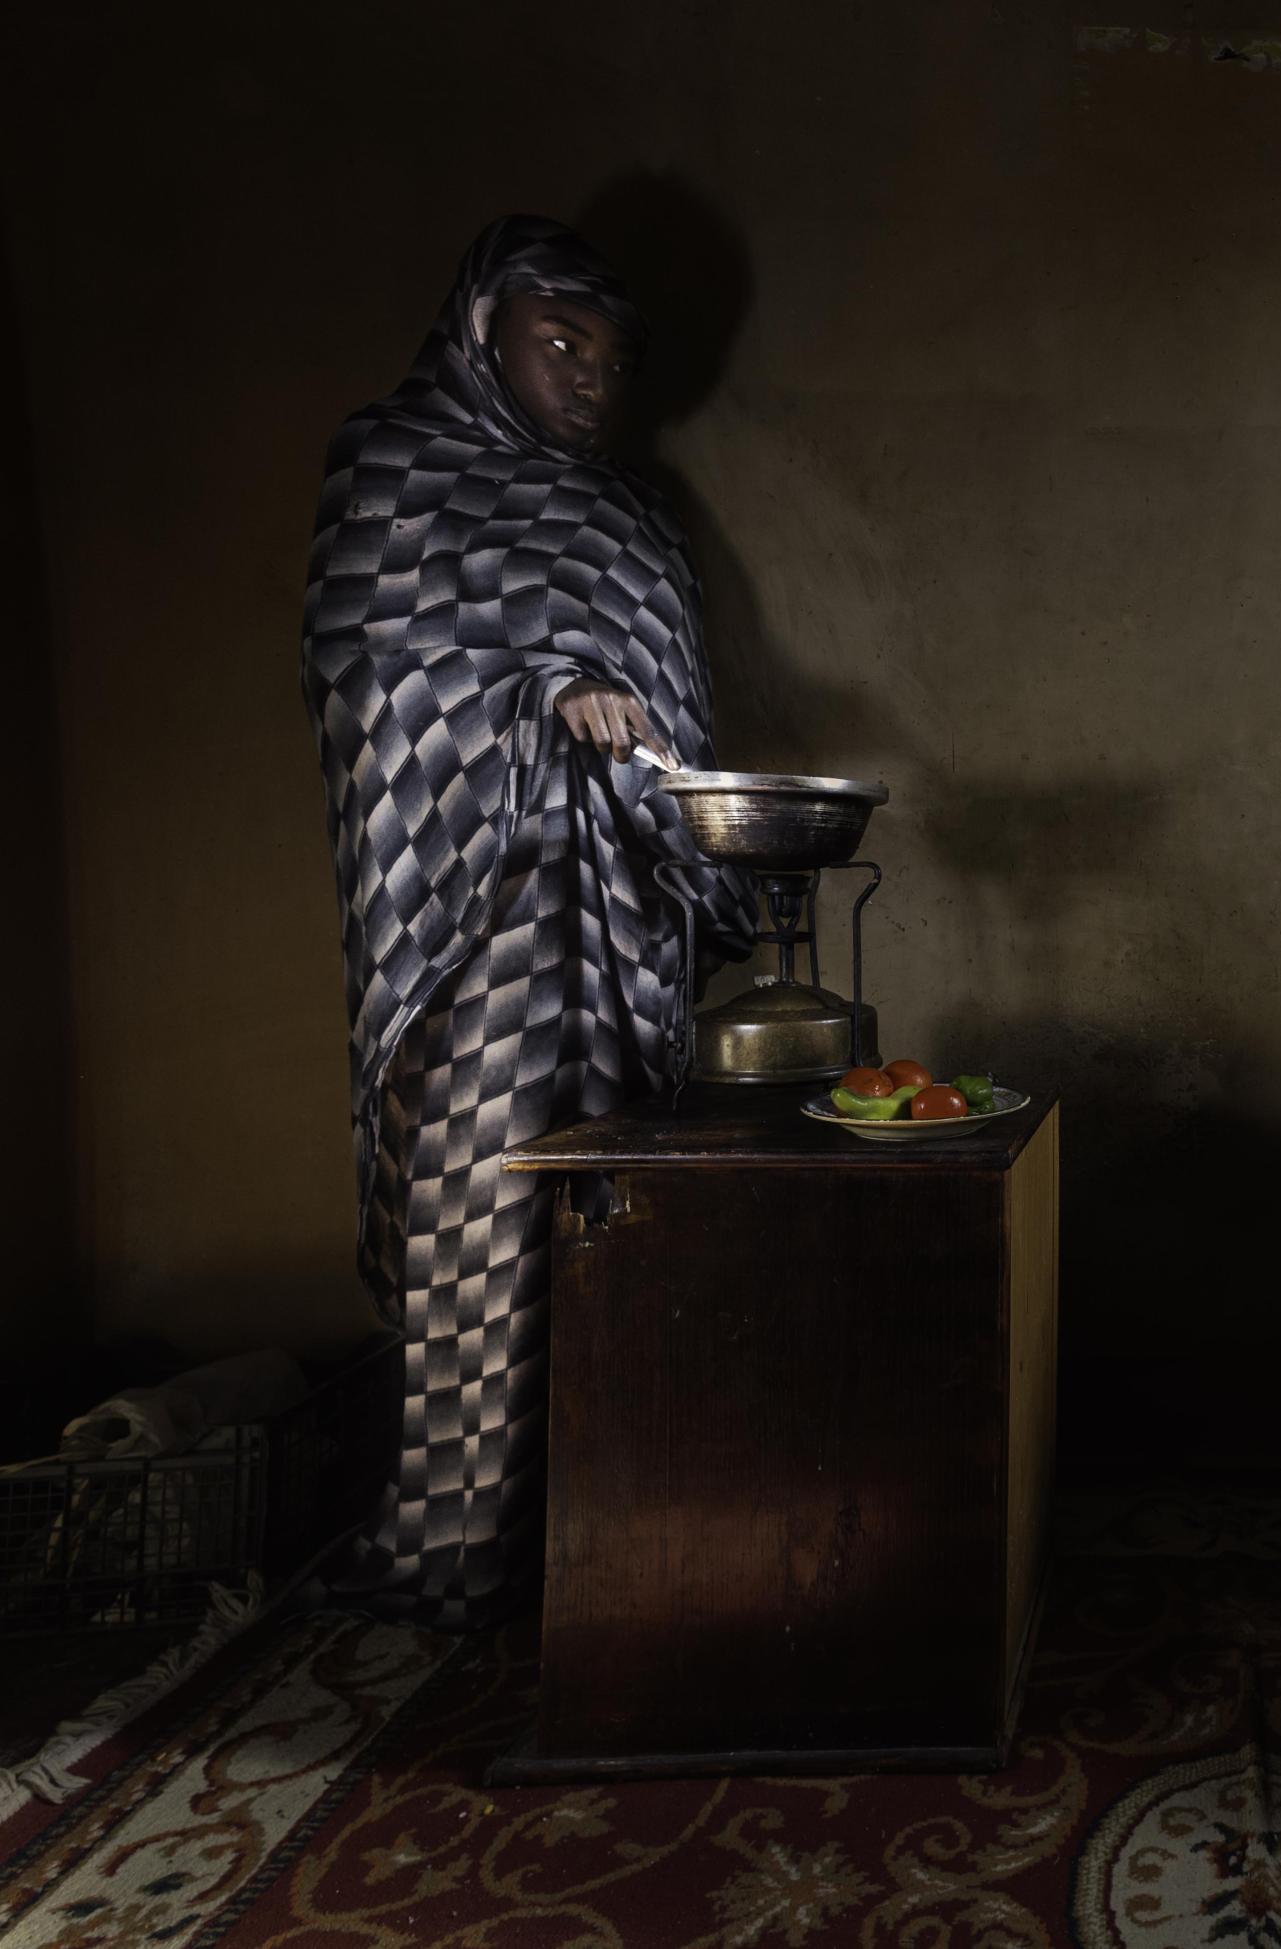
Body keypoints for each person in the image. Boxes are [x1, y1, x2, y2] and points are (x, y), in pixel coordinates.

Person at [301, 216, 755, 1627]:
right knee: (483, 1216)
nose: (590, 380)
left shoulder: (630, 517)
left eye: (612, 360)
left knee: (619, 1220)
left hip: (616, 919)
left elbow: (672, 721)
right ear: (480, 331)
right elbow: (374, 674)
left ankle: (602, 1541)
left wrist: (649, 773)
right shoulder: (395, 467)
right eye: (562, 344)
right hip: (479, 923)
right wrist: (541, 693)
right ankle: (453, 1548)